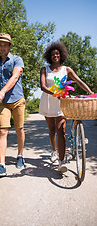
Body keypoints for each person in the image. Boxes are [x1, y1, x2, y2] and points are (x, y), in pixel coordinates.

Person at [39, 42, 93, 172]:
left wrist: (90, 92)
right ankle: (54, 151)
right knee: (52, 129)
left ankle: (61, 162)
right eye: (52, 54)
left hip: (63, 102)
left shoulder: (66, 69)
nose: (55, 56)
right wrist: (54, 93)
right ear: (49, 56)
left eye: (57, 54)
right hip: (48, 100)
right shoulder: (44, 69)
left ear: (61, 55)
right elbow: (42, 86)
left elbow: (79, 81)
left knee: (60, 130)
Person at [0, 33, 25, 176]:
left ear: (9, 46)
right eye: (0, 44)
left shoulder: (17, 60)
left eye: (5, 44)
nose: (2, 47)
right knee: (3, 131)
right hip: (3, 102)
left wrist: (3, 91)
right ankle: (2, 165)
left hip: (17, 100)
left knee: (19, 129)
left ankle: (20, 156)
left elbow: (15, 76)